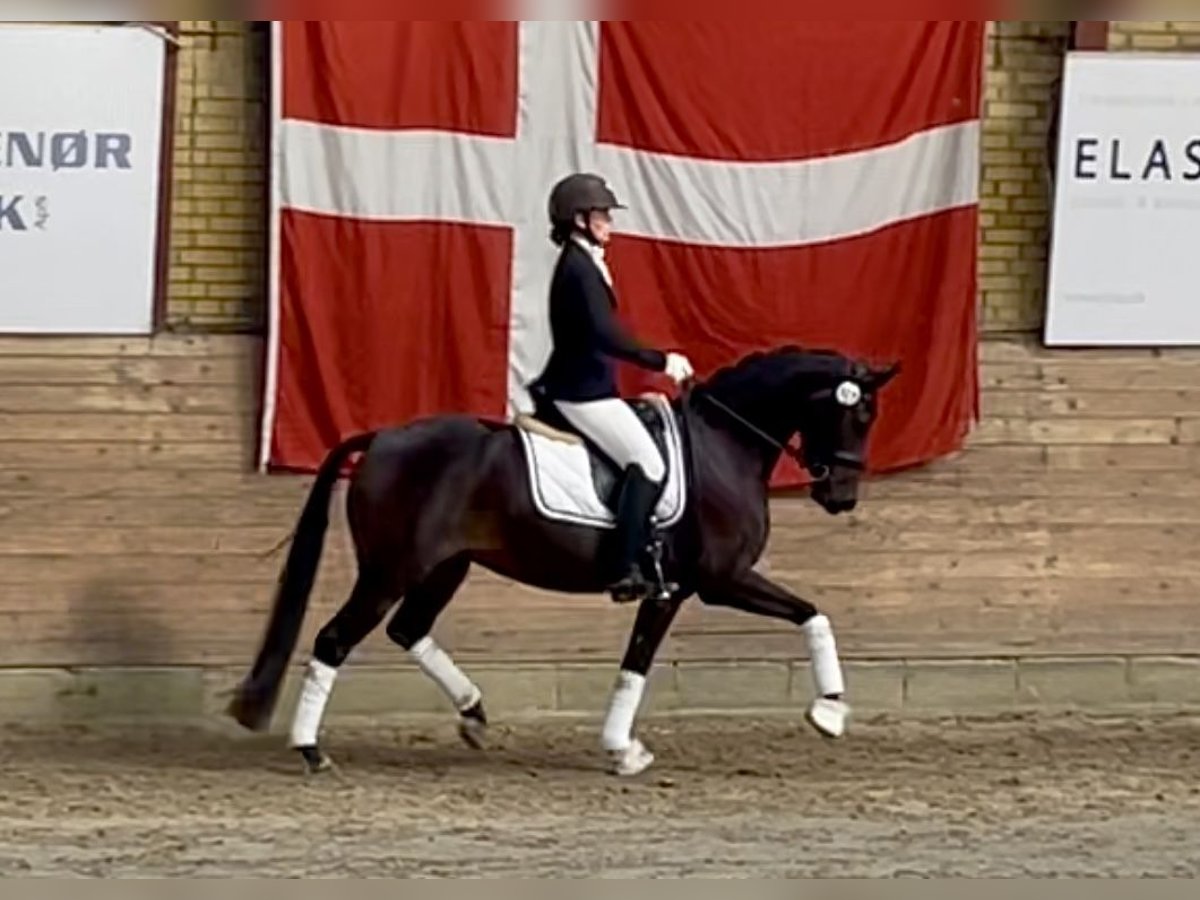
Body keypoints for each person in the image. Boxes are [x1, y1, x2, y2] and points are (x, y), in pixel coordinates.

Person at [528, 172, 695, 603]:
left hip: (592, 384)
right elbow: (605, 335)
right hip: (581, 391)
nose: (609, 223)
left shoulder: (585, 261)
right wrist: (660, 361)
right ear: (579, 219)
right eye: (602, 215)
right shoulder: (578, 268)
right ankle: (622, 568)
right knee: (649, 463)